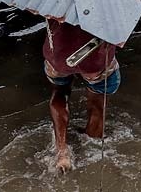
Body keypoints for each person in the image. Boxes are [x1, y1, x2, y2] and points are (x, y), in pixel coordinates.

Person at [43, 19, 120, 173]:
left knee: (60, 92)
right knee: (98, 101)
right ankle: (92, 143)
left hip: (58, 59)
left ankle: (62, 152)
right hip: (95, 62)